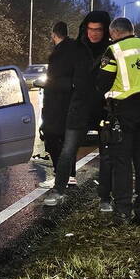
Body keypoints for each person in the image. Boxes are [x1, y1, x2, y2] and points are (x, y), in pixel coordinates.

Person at [95, 17, 140, 225]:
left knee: (122, 163)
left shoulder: (114, 51)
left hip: (123, 113)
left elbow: (102, 83)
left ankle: (122, 212)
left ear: (114, 33)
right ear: (132, 30)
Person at [42, 21, 92, 206]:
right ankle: (68, 176)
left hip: (59, 107)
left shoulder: (61, 53)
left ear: (53, 34)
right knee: (66, 142)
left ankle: (62, 179)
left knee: (56, 141)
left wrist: (52, 85)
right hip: (74, 107)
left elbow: (57, 81)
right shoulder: (78, 49)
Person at [77, 9, 114, 212]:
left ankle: (105, 197)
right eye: (90, 29)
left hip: (105, 108)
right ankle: (61, 188)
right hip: (79, 107)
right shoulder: (77, 48)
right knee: (65, 147)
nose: (93, 34)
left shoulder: (113, 50)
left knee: (107, 155)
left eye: (98, 30)